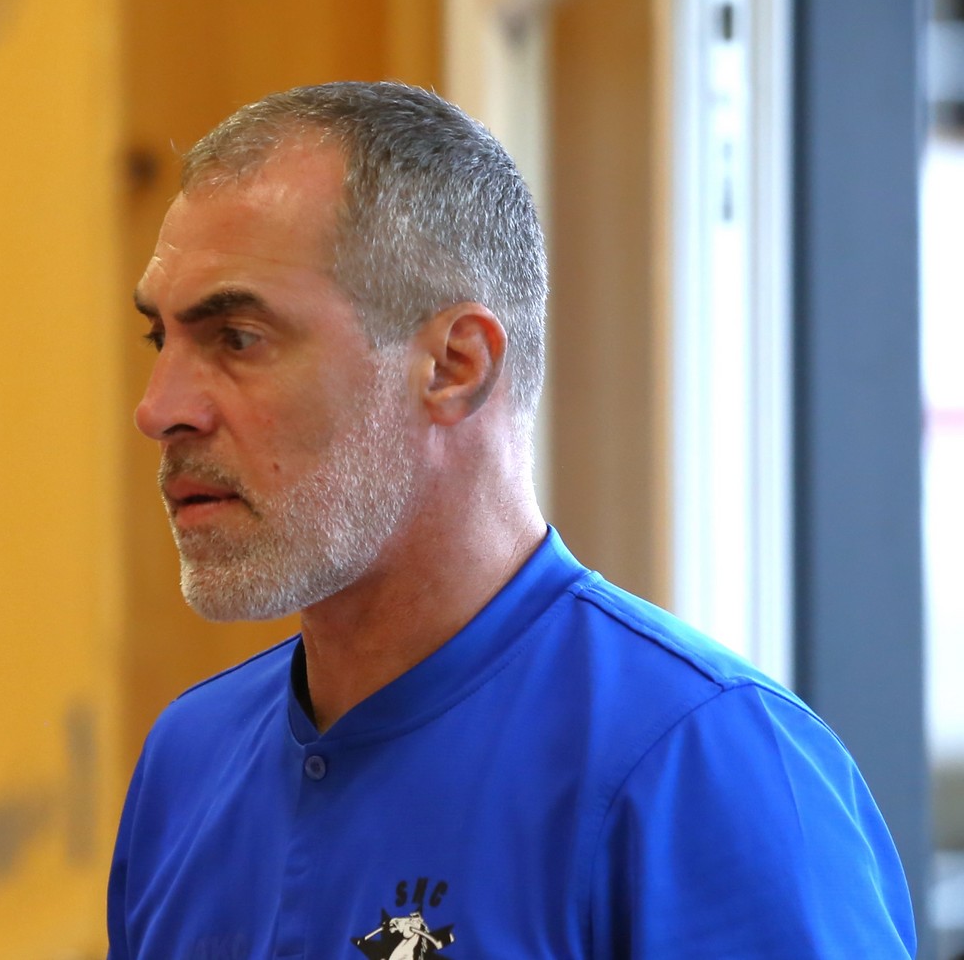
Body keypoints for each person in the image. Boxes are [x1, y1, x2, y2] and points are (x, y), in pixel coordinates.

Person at [108, 81, 915, 958]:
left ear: (455, 367)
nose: (160, 408)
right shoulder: (189, 761)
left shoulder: (703, 767)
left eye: (236, 338)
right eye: (160, 340)